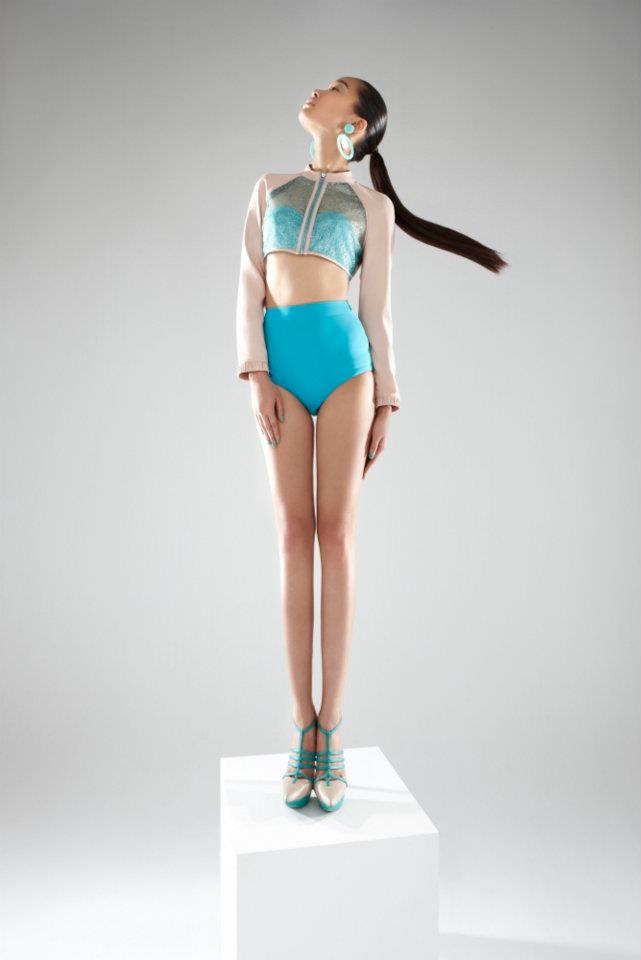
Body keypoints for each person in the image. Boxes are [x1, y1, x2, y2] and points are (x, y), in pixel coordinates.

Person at [235, 76, 507, 812]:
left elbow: (376, 311)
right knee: (292, 535)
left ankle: (332, 727)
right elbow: (248, 286)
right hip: (280, 367)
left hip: (346, 369)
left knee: (337, 534)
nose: (315, 90)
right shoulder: (267, 187)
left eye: (335, 89)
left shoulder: (372, 207)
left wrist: (388, 398)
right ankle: (301, 725)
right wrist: (254, 373)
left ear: (352, 126)